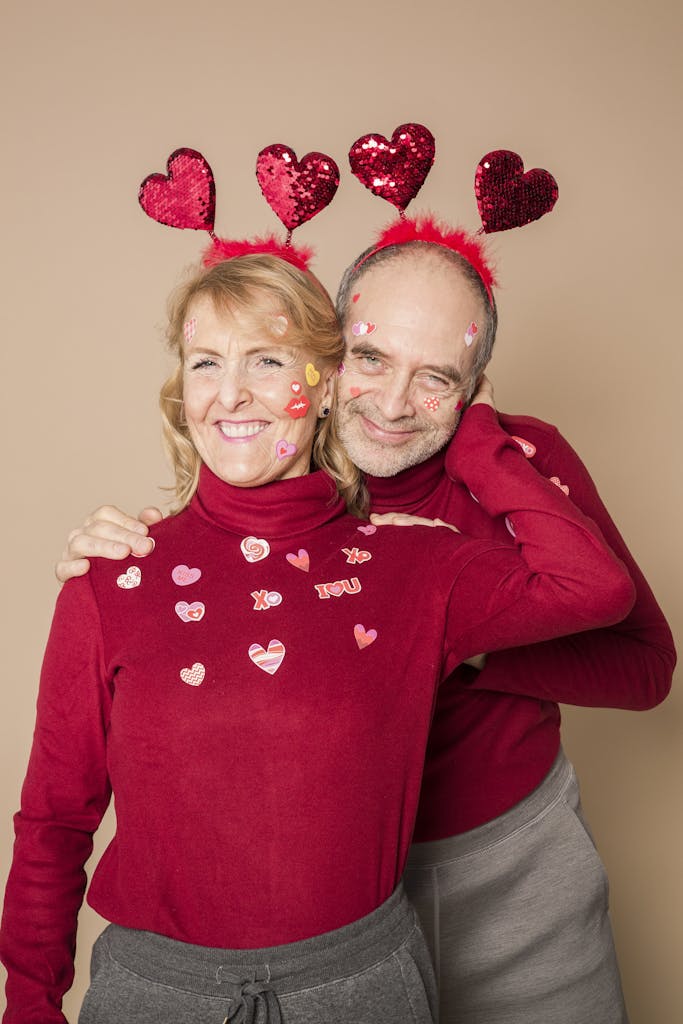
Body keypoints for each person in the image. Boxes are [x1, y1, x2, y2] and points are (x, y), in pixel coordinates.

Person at [0, 245, 637, 1024]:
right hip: (160, 985)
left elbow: (599, 596)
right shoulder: (117, 572)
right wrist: (28, 1005)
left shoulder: (417, 554)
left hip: (403, 944)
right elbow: (54, 821)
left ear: (323, 386)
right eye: (205, 364)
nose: (229, 393)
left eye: (266, 360)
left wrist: (477, 440)